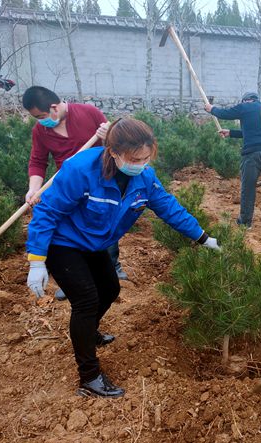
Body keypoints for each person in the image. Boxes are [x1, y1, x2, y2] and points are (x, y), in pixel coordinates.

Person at [25, 118, 220, 397]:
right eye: (135, 158)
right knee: (86, 300)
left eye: (146, 158)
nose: (141, 164)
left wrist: (203, 237)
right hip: (63, 242)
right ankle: (89, 378)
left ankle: (88, 333)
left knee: (110, 288)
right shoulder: (81, 170)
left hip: (93, 244)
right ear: (113, 152)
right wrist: (37, 260)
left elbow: (169, 208)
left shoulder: (144, 177)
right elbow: (47, 212)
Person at [22, 86, 127, 301]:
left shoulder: (89, 113)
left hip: (99, 181)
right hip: (68, 185)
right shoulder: (40, 130)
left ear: (53, 107)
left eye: (41, 116)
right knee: (70, 230)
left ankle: (112, 268)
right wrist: (34, 188)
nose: (40, 121)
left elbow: (117, 147)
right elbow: (38, 161)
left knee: (102, 224)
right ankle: (75, 281)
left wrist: (108, 136)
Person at [204, 91, 261, 229]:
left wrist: (211, 109)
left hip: (251, 155)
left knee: (248, 188)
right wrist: (231, 133)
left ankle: (245, 222)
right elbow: (254, 131)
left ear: (245, 100)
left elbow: (225, 113)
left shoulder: (244, 107)